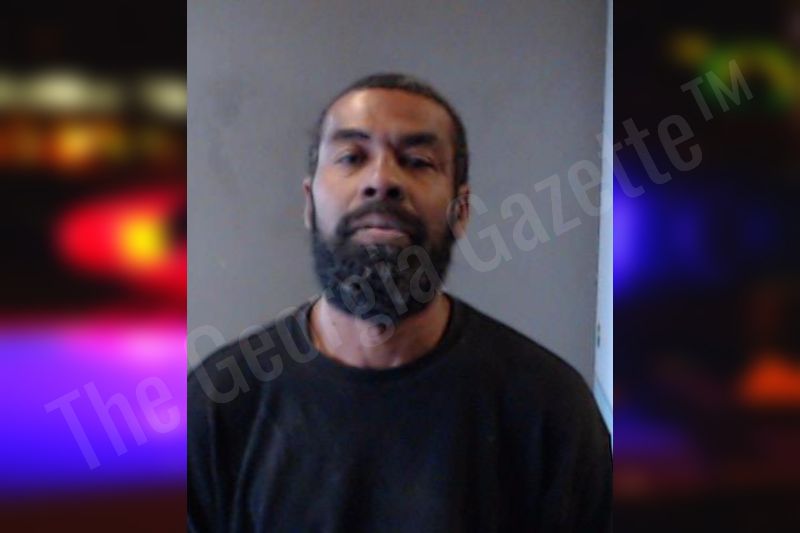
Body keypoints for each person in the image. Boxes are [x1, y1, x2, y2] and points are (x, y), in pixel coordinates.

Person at [188, 73, 611, 532]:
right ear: (309, 204)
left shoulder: (551, 412)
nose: (381, 180)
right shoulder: (216, 405)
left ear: (461, 211)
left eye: (418, 161)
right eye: (352, 157)